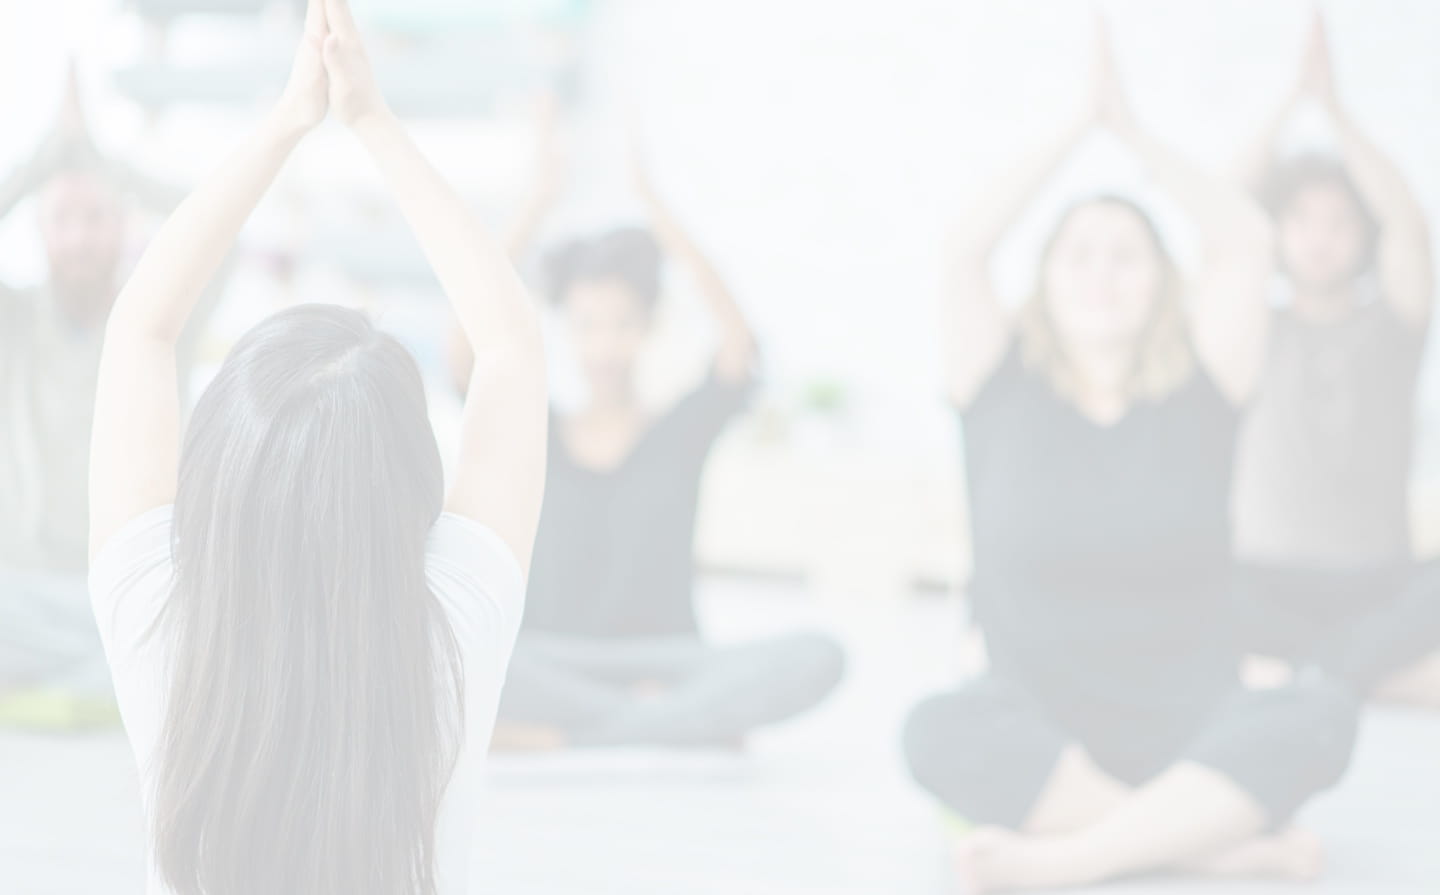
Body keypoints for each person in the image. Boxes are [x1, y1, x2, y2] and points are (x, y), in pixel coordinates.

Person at [87, 1, 547, 893]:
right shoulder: (453, 628)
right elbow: (511, 348)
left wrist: (287, 121)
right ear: (409, 481)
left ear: (216, 471)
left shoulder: (156, 620)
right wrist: (370, 120)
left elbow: (141, 326)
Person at [902, 18, 1357, 891]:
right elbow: (963, 246)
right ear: (1044, 279)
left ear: (1161, 284)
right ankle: (1204, 841)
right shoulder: (997, 389)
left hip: (1191, 721)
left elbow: (1247, 243)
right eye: (1079, 255)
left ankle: (1073, 858)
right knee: (936, 728)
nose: (1102, 273)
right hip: (1041, 725)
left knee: (1322, 710)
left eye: (1127, 257)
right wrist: (1078, 125)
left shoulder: (1201, 392)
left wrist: (1135, 134)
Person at [452, 117, 843, 750]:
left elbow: (737, 344)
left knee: (820, 654)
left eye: (622, 324)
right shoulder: (538, 429)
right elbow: (466, 348)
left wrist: (656, 206)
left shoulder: (678, 432)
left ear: (648, 325)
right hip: (557, 661)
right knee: (465, 653)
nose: (604, 345)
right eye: (587, 326)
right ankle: (663, 728)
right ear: (567, 330)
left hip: (670, 661)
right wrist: (537, 201)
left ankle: (568, 736)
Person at [1230, 12, 1439, 708]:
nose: (1321, 239)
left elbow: (1410, 225)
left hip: (1375, 583)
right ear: (1279, 234)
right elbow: (1224, 219)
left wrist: (1338, 113)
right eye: (1304, 222)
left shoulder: (1394, 323)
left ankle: (1307, 675)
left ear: (1363, 236)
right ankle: (1358, 679)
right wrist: (1291, 102)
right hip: (1261, 579)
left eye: (1340, 222)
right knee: (1185, 579)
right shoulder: (1254, 324)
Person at [0, 63, 211, 722]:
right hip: (25, 593)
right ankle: (93, 687)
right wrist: (48, 158)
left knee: (189, 635)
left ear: (123, 227)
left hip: (127, 593)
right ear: (40, 232)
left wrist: (103, 163)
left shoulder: (159, 320)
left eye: (97, 218)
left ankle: (89, 685)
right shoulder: (15, 322)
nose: (82, 237)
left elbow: (215, 220)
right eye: (64, 220)